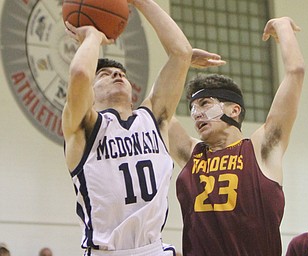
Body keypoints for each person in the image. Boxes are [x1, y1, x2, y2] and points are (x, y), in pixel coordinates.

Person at [62, 0, 225, 255]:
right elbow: (81, 73)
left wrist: (140, 1)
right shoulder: (84, 127)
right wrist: (92, 36)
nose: (117, 75)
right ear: (89, 94)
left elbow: (181, 51)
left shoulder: (154, 118)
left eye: (122, 75)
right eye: (105, 75)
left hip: (154, 249)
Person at [168, 16, 305, 256]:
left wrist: (282, 28)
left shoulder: (261, 149)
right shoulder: (192, 153)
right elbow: (157, 110)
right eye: (193, 108)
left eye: (205, 103)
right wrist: (180, 60)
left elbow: (296, 72)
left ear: (234, 110)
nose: (196, 114)